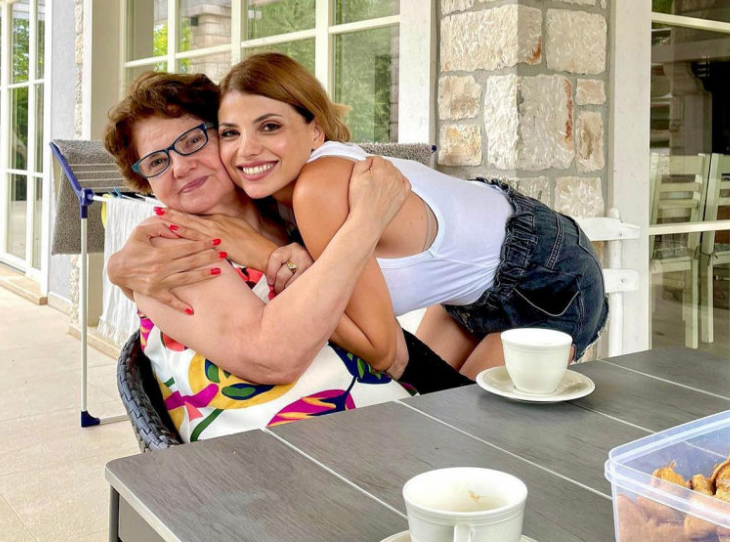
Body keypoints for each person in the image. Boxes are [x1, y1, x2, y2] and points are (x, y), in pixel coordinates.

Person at [216, 53, 608, 379]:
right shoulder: (276, 200)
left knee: (466, 430)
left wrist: (271, 261)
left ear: (316, 132)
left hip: (549, 277)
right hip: (474, 293)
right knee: (426, 411)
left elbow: (382, 351)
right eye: (230, 133)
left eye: (270, 126)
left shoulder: (318, 187)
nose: (246, 149)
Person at [103, 72, 417, 442]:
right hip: (281, 453)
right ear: (146, 181)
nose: (180, 167)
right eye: (157, 162)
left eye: (192, 141)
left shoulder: (289, 214)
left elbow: (393, 350)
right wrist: (366, 221)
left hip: (386, 423)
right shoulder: (165, 247)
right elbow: (271, 357)